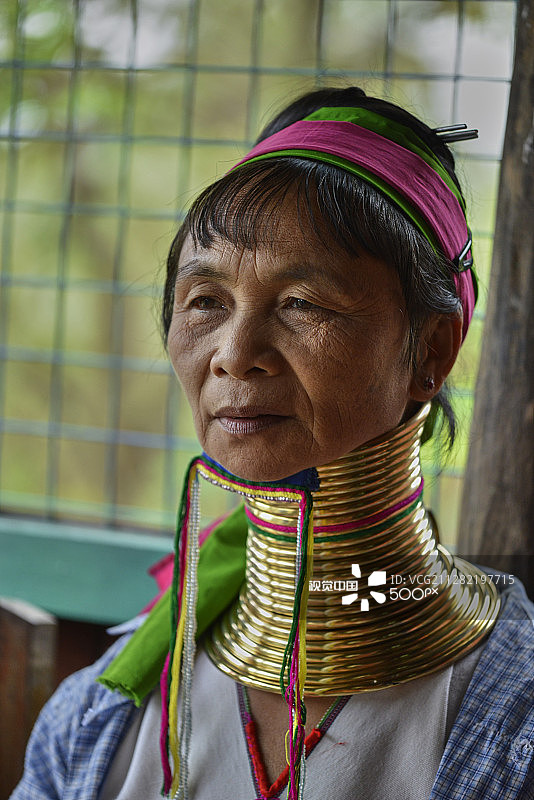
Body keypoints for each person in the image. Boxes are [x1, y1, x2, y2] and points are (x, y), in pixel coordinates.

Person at [11, 86, 534, 800]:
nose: (235, 354)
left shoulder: (512, 722)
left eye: (302, 304)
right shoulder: (97, 725)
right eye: (206, 301)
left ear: (431, 351)